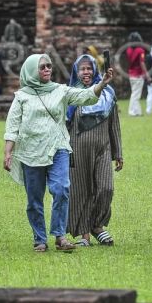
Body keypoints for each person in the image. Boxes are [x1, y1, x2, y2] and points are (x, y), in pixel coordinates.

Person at [3, 53, 114, 252]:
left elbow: (85, 96)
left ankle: (60, 236)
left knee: (62, 189)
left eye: (49, 66)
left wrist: (102, 83)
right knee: (34, 199)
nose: (47, 69)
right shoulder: (22, 96)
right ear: (31, 71)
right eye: (42, 67)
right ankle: (39, 239)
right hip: (31, 152)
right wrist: (8, 152)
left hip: (58, 147)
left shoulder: (60, 90)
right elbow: (13, 125)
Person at [66, 54, 123, 247]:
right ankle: (84, 235)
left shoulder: (107, 93)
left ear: (94, 70)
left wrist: (118, 153)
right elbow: (63, 124)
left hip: (103, 147)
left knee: (106, 188)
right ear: (76, 71)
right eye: (82, 69)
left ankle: (97, 225)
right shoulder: (70, 94)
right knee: (82, 190)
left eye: (89, 68)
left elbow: (114, 124)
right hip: (77, 148)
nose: (86, 72)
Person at [126, 32, 149, 116]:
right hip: (138, 74)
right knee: (136, 94)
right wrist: (147, 75)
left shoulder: (128, 49)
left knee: (135, 93)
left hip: (131, 73)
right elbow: (142, 63)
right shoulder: (140, 50)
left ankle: (137, 111)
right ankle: (132, 111)